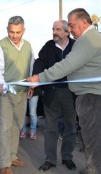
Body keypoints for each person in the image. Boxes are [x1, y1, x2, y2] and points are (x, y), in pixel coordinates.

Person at [27, 8, 101, 174]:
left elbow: (67, 65)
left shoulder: (86, 40)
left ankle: (94, 170)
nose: (70, 29)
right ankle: (91, 169)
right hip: (86, 94)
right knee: (90, 139)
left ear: (83, 23)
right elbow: (45, 61)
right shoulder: (88, 38)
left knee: (94, 140)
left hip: (93, 96)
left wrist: (39, 78)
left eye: (71, 25)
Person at [31, 20, 77, 172]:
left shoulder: (76, 46)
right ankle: (50, 159)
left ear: (67, 31)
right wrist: (35, 78)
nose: (54, 32)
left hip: (71, 93)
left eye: (58, 29)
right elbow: (40, 62)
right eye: (53, 29)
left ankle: (67, 157)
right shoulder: (48, 46)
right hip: (51, 91)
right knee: (51, 128)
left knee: (70, 126)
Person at [0, 15, 34, 174]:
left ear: (24, 30)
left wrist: (31, 85)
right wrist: (1, 85)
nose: (14, 36)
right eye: (11, 32)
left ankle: (12, 155)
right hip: (5, 94)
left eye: (18, 32)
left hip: (22, 92)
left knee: (17, 125)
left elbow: (31, 66)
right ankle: (3, 163)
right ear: (7, 29)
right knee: (4, 127)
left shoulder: (28, 46)